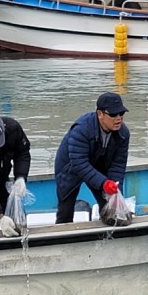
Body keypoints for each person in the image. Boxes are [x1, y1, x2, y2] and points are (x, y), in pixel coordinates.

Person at [53, 92, 130, 224]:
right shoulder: (81, 129)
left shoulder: (123, 133)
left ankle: (108, 233)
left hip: (100, 164)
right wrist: (103, 183)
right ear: (100, 114)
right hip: (71, 166)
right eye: (113, 114)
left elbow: (118, 164)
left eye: (121, 113)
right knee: (65, 210)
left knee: (110, 205)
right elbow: (79, 163)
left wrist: (115, 190)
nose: (118, 118)